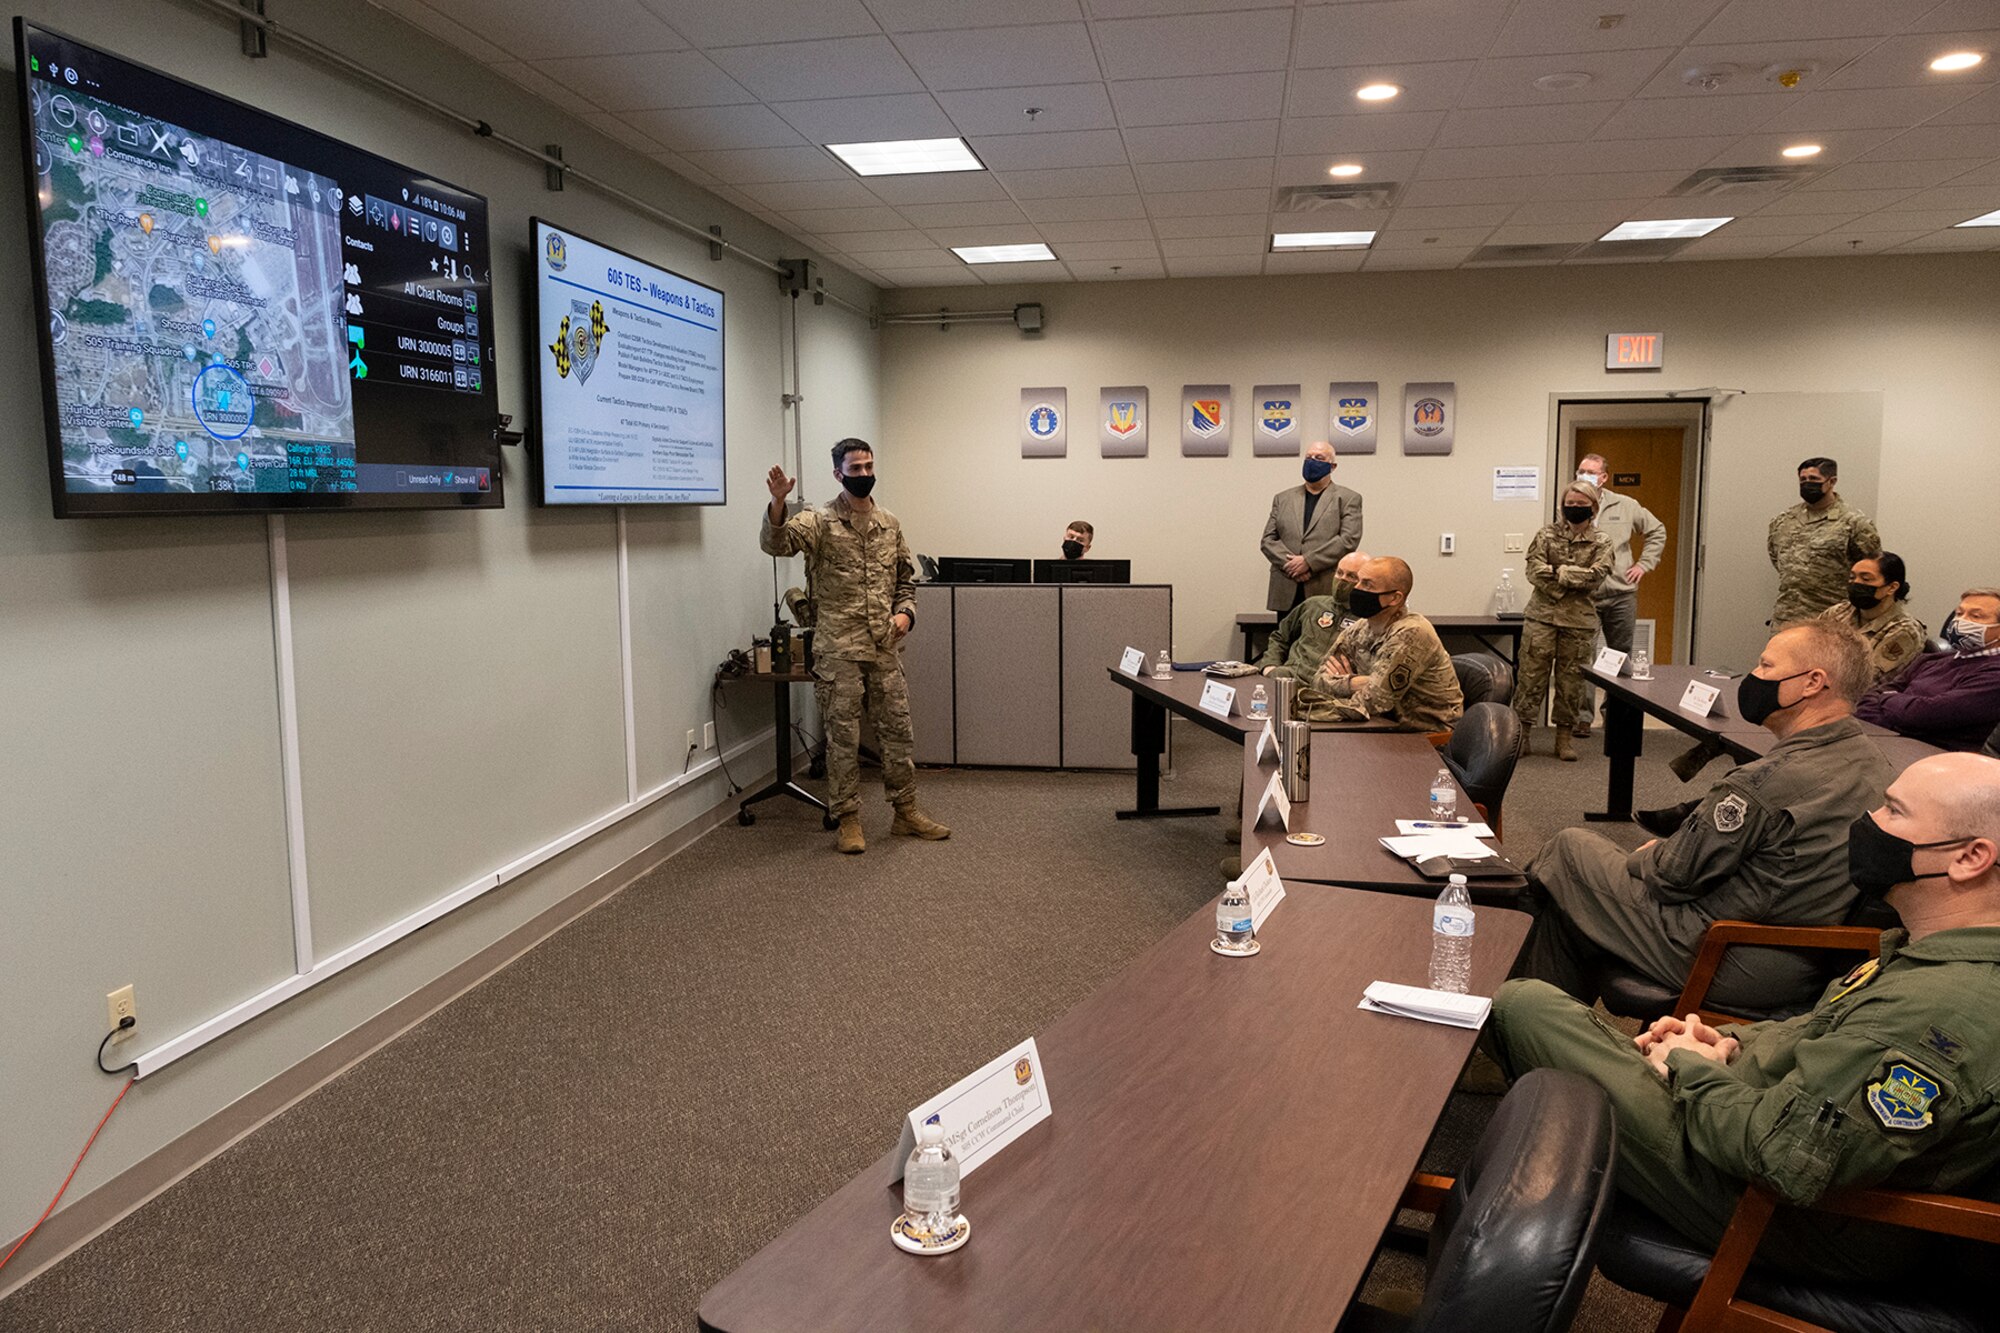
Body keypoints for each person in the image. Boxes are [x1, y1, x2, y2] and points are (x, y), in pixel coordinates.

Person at [1490, 751, 2000, 1284]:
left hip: (1793, 1215)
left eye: (1893, 812)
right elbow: (1815, 1034)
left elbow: (1785, 1158)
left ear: (1969, 857)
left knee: (1523, 1006)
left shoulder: (1940, 1011)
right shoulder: (1931, 953)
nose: (1867, 824)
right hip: (1760, 1128)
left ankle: (1492, 1267)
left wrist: (1691, 1065)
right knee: (1554, 1030)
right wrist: (1725, 1041)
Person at [1519, 622, 1892, 1009]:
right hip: (1817, 963)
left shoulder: (1764, 782)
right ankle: (1533, 1033)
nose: (1754, 678)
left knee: (1569, 851)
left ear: (1813, 682)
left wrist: (1646, 853)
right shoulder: (1879, 767)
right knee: (1573, 911)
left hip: (1728, 953)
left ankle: (1502, 1014)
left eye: (1766, 667)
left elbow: (1671, 877)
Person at [762, 440, 950, 854]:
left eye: (868, 466)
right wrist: (778, 504)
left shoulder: (889, 522)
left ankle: (905, 812)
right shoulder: (820, 521)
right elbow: (778, 545)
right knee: (842, 738)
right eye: (855, 468)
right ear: (838, 474)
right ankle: (848, 818)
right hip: (838, 650)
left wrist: (906, 614)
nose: (864, 474)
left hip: (884, 646)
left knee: (898, 733)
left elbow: (906, 580)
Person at [1294, 556, 1463, 732]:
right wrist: (1356, 683)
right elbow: (1318, 681)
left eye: (1367, 585)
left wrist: (1346, 684)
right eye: (1358, 581)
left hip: (1427, 735)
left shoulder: (1412, 633)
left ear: (1395, 598)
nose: (1356, 589)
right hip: (1382, 725)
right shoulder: (1361, 626)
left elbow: (1374, 702)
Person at [1567, 454, 1667, 739]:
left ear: (1603, 477)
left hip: (1621, 593)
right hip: (1585, 595)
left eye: (1591, 472)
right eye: (1581, 471)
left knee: (1620, 655)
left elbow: (1657, 530)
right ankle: (1582, 718)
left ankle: (1614, 716)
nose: (1585, 475)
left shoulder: (1626, 505)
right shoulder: (1573, 503)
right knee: (1583, 656)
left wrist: (1644, 564)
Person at [1515, 484, 1613, 761]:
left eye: (1580, 503)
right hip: (1541, 617)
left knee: (1572, 683)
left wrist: (1557, 572)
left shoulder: (1602, 541)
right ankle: (1522, 736)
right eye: (1569, 502)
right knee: (1530, 677)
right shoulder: (1545, 534)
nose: (1574, 507)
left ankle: (1564, 739)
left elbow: (1595, 577)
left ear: (1593, 508)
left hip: (1578, 621)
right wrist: (1570, 579)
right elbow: (1534, 571)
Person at [1857, 586, 2000, 752]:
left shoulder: (1994, 674)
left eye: (1975, 616)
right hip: (1886, 739)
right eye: (1959, 614)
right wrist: (1900, 711)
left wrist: (1886, 701)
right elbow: (1868, 699)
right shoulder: (1933, 659)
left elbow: (1926, 715)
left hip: (1936, 757)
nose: (1961, 621)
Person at [1768, 456, 1881, 626]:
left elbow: (1872, 569)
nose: (1807, 484)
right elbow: (1779, 561)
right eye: (1803, 479)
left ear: (1832, 481)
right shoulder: (1783, 521)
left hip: (1833, 620)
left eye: (1814, 479)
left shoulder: (1854, 522)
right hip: (1787, 618)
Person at [1260, 440, 1363, 613]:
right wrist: (1293, 566)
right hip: (1286, 585)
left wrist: (1309, 562)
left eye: (1319, 457)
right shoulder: (1283, 498)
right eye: (1308, 457)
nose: (1312, 461)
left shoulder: (1348, 498)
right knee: (1284, 639)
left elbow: (1348, 540)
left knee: (1321, 638)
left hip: (1322, 585)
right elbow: (1268, 540)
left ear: (1332, 466)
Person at [1816, 552, 1927, 686]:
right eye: (1852, 577)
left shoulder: (1905, 630)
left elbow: (1868, 682)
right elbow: (1806, 648)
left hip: (1863, 700)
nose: (1856, 583)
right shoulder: (1838, 612)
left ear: (1891, 587)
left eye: (1866, 579)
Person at [1258, 551, 1368, 682]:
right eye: (1339, 573)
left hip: (1329, 687)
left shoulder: (1368, 621)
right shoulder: (1313, 605)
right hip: (1289, 678)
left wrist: (1352, 681)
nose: (1342, 579)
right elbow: (1280, 637)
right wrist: (1270, 666)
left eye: (1351, 576)